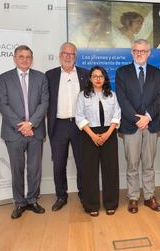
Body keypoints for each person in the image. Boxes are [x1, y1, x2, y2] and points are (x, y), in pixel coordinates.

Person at [0, 45, 49, 219]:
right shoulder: (4, 78)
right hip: (14, 132)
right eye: (21, 56)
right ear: (14, 58)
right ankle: (19, 203)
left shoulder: (41, 78)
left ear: (31, 59)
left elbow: (44, 103)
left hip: (36, 131)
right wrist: (22, 126)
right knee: (17, 169)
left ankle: (32, 200)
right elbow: (3, 105)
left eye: (28, 57)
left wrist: (31, 124)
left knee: (34, 169)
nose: (25, 59)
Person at [115, 39, 160, 214]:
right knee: (132, 164)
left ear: (149, 53)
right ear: (131, 52)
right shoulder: (122, 72)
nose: (139, 53)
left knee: (149, 164)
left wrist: (148, 117)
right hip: (131, 125)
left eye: (143, 51)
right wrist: (138, 119)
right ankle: (133, 197)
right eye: (136, 50)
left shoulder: (157, 73)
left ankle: (149, 196)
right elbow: (122, 99)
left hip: (150, 125)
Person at [46, 42, 89, 211]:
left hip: (80, 125)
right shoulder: (50, 75)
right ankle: (61, 196)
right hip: (59, 125)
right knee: (58, 164)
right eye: (65, 53)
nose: (68, 56)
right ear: (60, 55)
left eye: (71, 54)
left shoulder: (85, 74)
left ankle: (84, 194)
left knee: (83, 163)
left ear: (75, 57)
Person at [75, 66, 121, 216]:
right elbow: (79, 117)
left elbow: (117, 115)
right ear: (90, 79)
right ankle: (92, 205)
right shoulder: (83, 96)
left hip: (109, 133)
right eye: (95, 76)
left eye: (101, 76)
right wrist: (93, 135)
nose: (98, 79)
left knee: (111, 170)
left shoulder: (112, 95)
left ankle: (110, 203)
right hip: (89, 134)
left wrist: (107, 134)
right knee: (90, 171)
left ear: (105, 78)